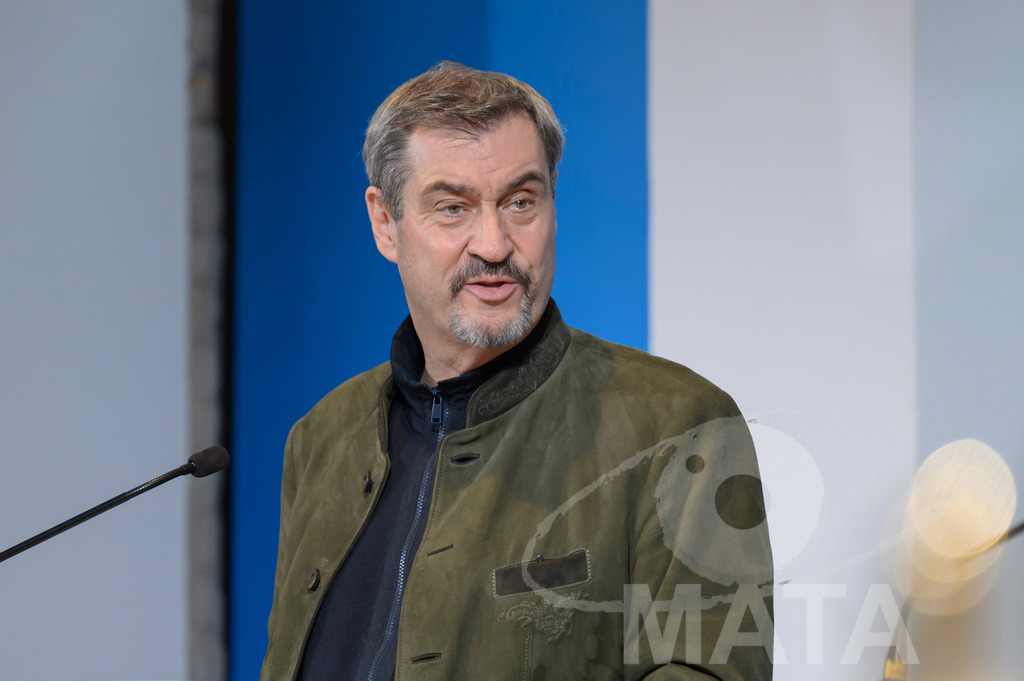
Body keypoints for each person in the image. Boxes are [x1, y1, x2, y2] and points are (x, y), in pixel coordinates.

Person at [261, 61, 773, 681]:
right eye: (452, 208)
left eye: (520, 202)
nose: (495, 244)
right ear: (385, 223)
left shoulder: (679, 425)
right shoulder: (319, 440)